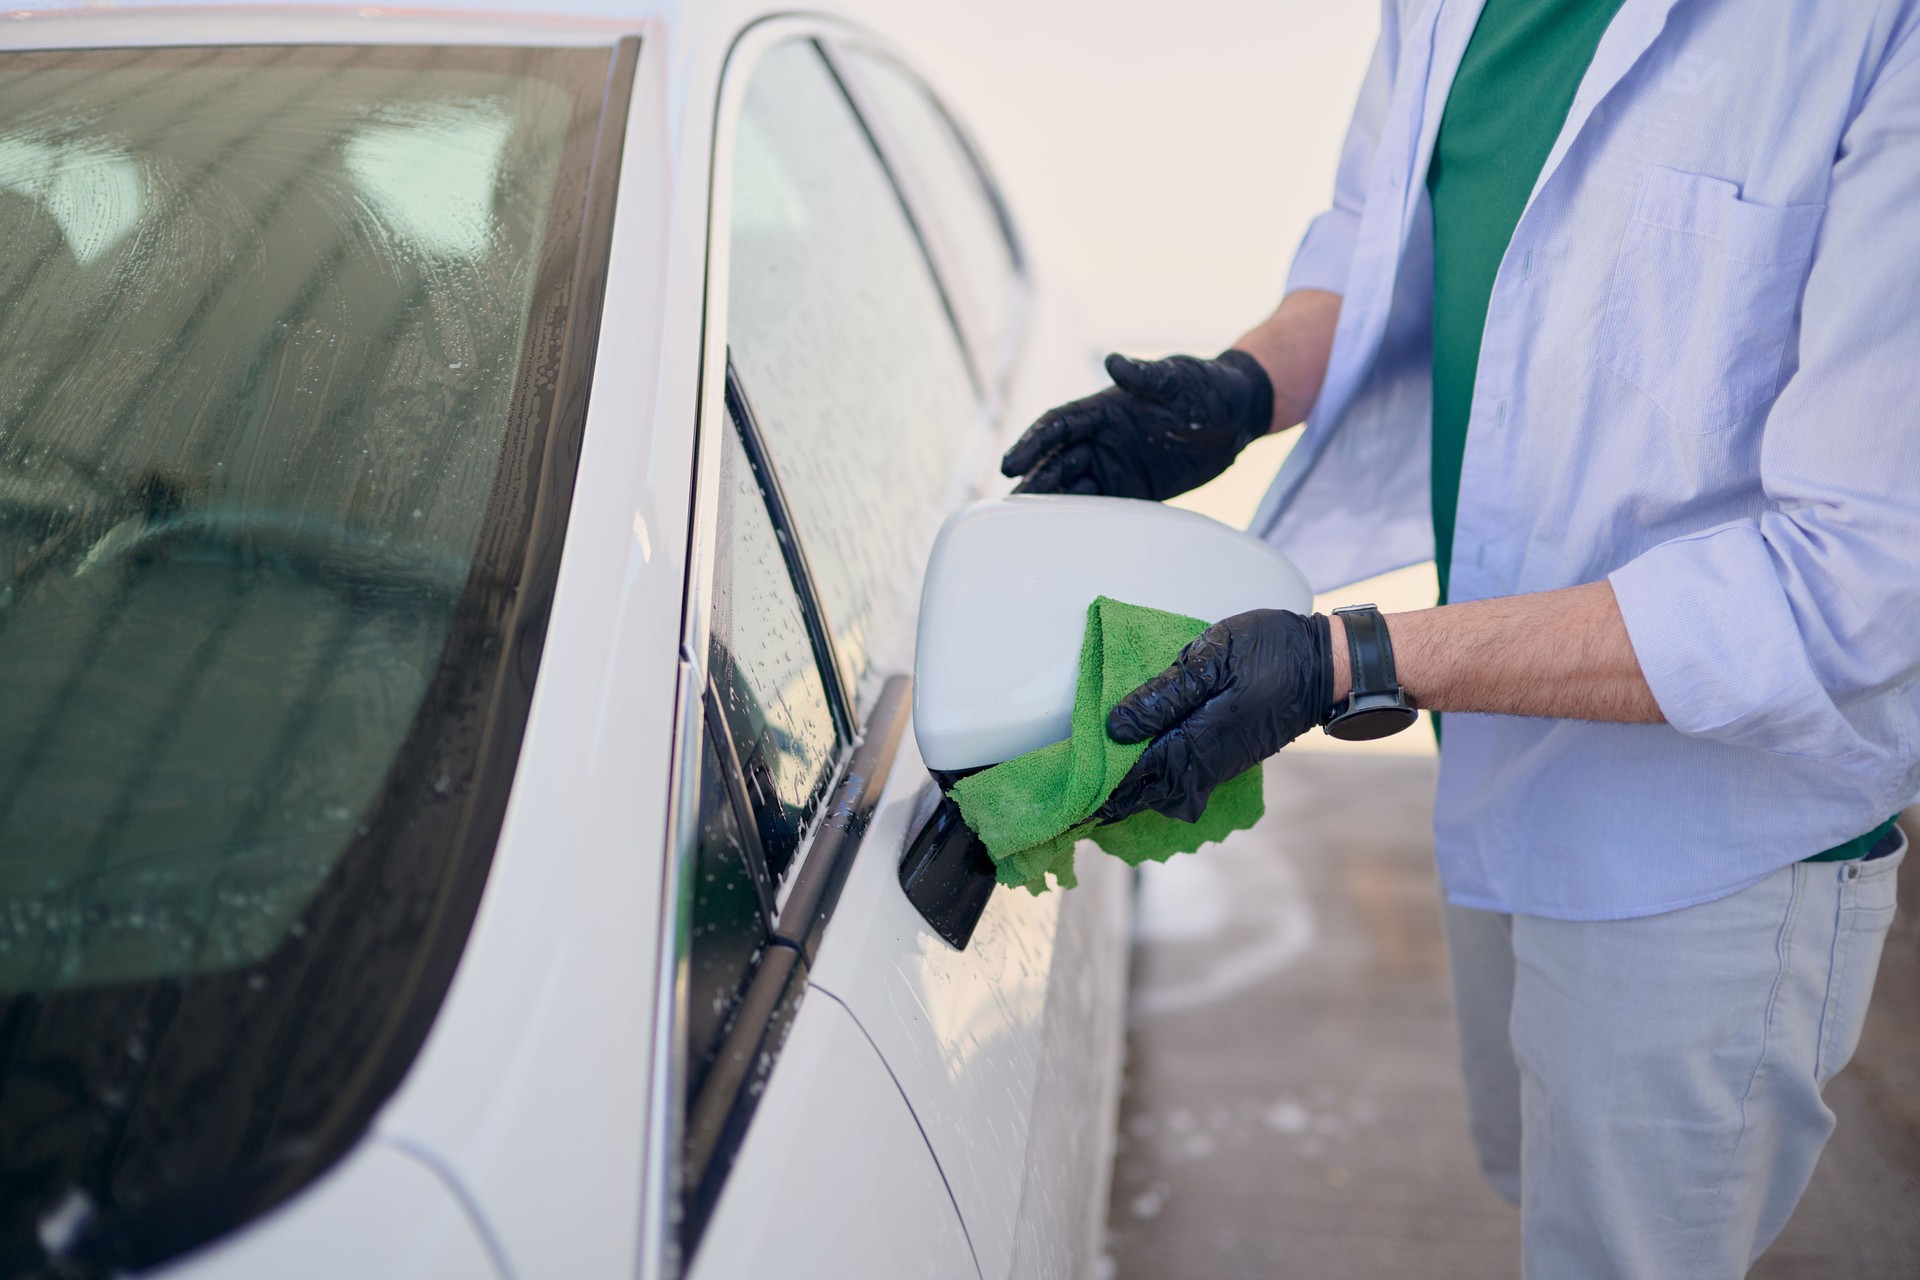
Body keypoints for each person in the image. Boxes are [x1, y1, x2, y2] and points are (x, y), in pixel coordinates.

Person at [1003, 1, 1918, 1275]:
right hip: (1496, 760)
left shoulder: (1876, 36)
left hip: (1713, 849)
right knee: (1543, 1187)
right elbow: (1392, 238)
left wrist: (1358, 660)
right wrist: (1243, 385)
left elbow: (1858, 581)